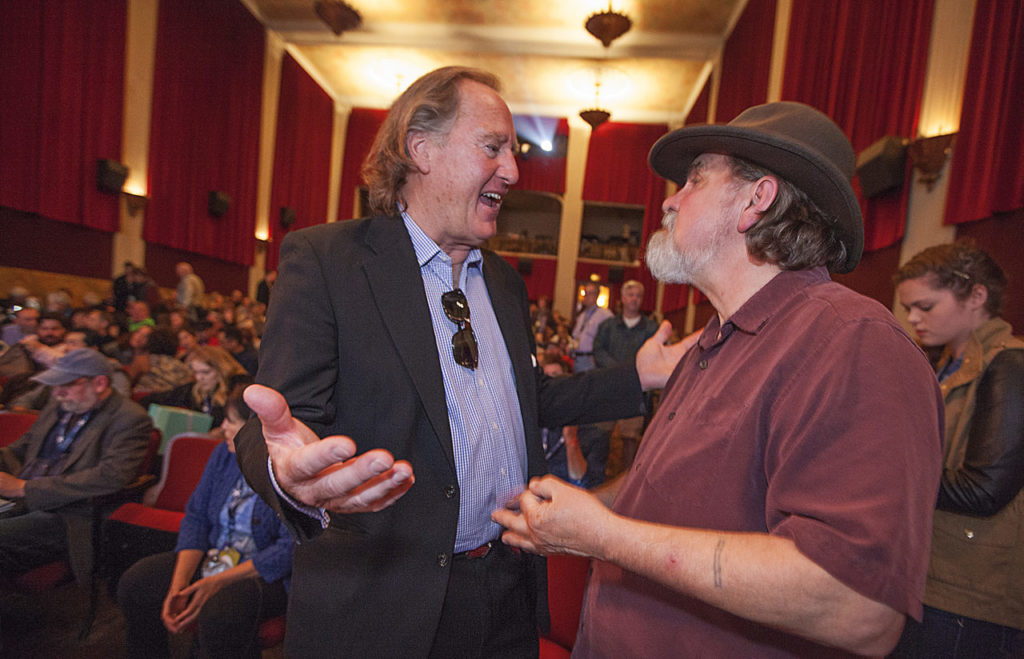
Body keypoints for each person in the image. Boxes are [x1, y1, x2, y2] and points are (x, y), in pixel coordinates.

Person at [233, 66, 685, 658]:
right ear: (420, 148)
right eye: (492, 146)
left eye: (514, 151)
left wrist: (641, 377)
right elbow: (278, 426)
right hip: (384, 607)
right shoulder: (329, 261)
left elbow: (532, 400)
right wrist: (287, 478)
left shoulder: (502, 280)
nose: (515, 171)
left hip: (506, 590)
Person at [493, 101, 945, 657]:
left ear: (756, 201)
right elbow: (678, 491)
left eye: (695, 180)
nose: (670, 199)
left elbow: (854, 605)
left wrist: (604, 536)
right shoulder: (713, 341)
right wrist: (585, 506)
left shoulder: (854, 342)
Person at [890, 241, 1024, 657]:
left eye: (925, 307)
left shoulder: (1010, 365)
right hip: (931, 575)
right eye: (908, 307)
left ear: (977, 296)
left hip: (971, 590)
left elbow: (984, 490)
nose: (913, 318)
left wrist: (883, 474)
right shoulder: (943, 365)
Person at [117, 387, 292, 659]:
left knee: (221, 611)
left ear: (255, 428)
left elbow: (288, 550)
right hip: (217, 556)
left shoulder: (288, 468)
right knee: (137, 582)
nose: (222, 427)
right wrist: (180, 584)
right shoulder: (223, 454)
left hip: (262, 573)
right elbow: (196, 517)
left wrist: (214, 583)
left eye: (231, 421)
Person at [0, 349, 152, 583]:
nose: (58, 392)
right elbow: (20, 449)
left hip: (68, 513)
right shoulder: (60, 406)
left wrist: (23, 488)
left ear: (99, 383)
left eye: (66, 385)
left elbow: (111, 477)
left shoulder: (130, 419)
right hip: (24, 501)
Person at [593, 279, 660, 470]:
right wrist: (616, 370)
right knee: (601, 435)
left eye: (638, 296)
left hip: (635, 391)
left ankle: (626, 482)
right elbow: (598, 350)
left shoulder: (651, 329)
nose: (634, 299)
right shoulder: (608, 326)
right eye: (631, 295)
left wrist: (633, 372)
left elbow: (654, 357)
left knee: (630, 439)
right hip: (608, 387)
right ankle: (596, 476)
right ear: (622, 298)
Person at [142, 345, 248, 427]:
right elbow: (158, 398)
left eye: (205, 372)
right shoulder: (195, 389)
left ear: (222, 370)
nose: (199, 378)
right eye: (196, 372)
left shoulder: (238, 390)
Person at [571, 281, 613, 373]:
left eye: (590, 293)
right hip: (577, 359)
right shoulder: (581, 316)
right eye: (585, 293)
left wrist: (600, 357)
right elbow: (576, 336)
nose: (586, 296)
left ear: (597, 295)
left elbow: (610, 339)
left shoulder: (605, 315)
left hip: (591, 360)